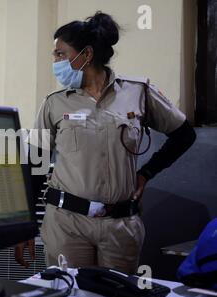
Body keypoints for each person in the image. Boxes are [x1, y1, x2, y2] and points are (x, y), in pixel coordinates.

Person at [15, 12, 196, 274]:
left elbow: (184, 135)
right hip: (67, 225)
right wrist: (26, 226)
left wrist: (146, 173)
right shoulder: (54, 102)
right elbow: (35, 164)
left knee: (118, 293)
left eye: (60, 55)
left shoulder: (138, 92)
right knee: (70, 292)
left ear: (86, 55)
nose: (55, 62)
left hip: (120, 226)